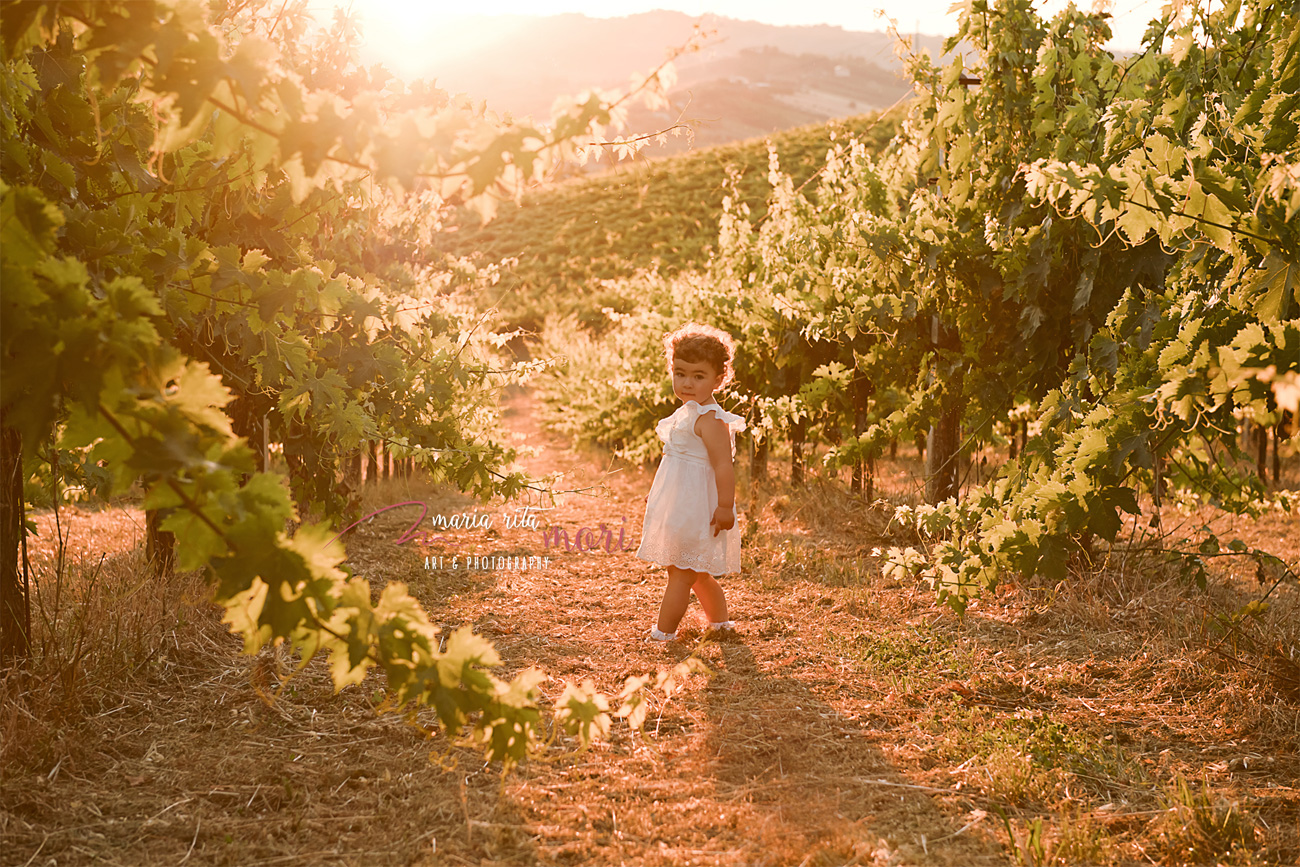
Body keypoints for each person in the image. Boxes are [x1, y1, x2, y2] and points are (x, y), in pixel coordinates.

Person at [636, 323, 745, 641]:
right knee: (691, 571)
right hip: (680, 503)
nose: (687, 383)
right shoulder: (688, 411)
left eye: (698, 376)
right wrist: (659, 495)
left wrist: (725, 506)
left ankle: (663, 633)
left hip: (698, 506)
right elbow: (676, 462)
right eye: (680, 373)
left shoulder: (710, 419)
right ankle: (720, 623)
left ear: (719, 379)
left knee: (682, 573)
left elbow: (724, 466)